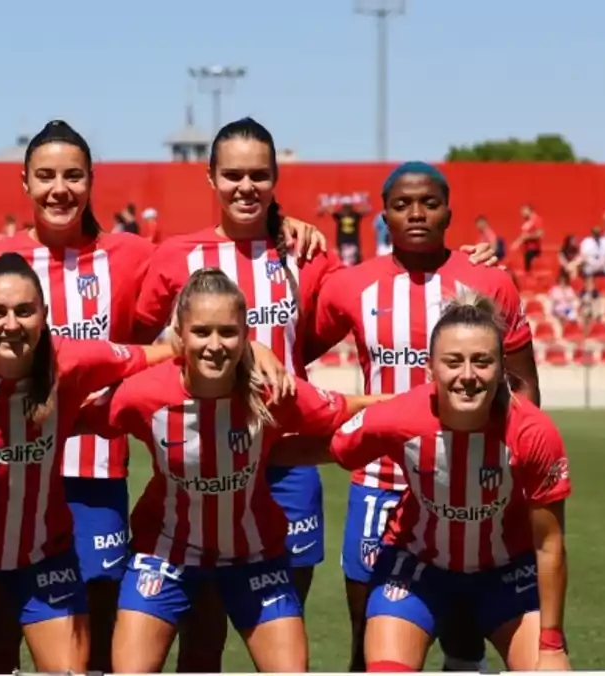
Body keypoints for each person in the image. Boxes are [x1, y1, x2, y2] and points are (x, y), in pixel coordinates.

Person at [0, 120, 305, 673]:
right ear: (25, 182)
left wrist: (280, 224)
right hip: (8, 472)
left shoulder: (133, 254)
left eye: (73, 175)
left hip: (94, 471)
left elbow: (197, 310)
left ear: (91, 181)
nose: (59, 188)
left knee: (99, 623)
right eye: (45, 176)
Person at [78, 267, 382, 672]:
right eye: (202, 332)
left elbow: (347, 411)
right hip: (165, 555)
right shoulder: (141, 395)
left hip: (254, 558)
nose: (215, 345)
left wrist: (433, 402)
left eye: (228, 332)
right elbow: (72, 417)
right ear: (178, 334)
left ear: (246, 336)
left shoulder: (270, 390)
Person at [0, 252, 174, 673]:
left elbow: (161, 354)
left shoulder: (72, 359)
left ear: (44, 314)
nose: (11, 324)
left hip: (45, 556)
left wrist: (255, 351)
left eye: (24, 311)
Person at [308, 161, 541, 672]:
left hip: (464, 481)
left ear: (448, 213)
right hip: (379, 481)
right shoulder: (352, 286)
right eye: (402, 204)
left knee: (463, 630)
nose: (416, 213)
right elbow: (291, 354)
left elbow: (525, 387)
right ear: (384, 216)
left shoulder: (488, 281)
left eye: (429, 203)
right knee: (366, 628)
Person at [132, 117, 346, 670]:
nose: (245, 187)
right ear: (210, 178)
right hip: (203, 458)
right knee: (201, 634)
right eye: (232, 175)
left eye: (258, 175)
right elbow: (138, 345)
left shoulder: (305, 252)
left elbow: (317, 335)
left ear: (276, 178)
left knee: (280, 618)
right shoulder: (177, 257)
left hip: (287, 462)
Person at [278, 292, 571, 672]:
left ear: (501, 369)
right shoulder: (398, 417)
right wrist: (248, 454)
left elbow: (549, 545)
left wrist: (551, 646)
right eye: (453, 362)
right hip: (418, 569)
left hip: (505, 572)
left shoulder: (532, 432)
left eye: (482, 361)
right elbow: (329, 448)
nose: (468, 376)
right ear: (431, 369)